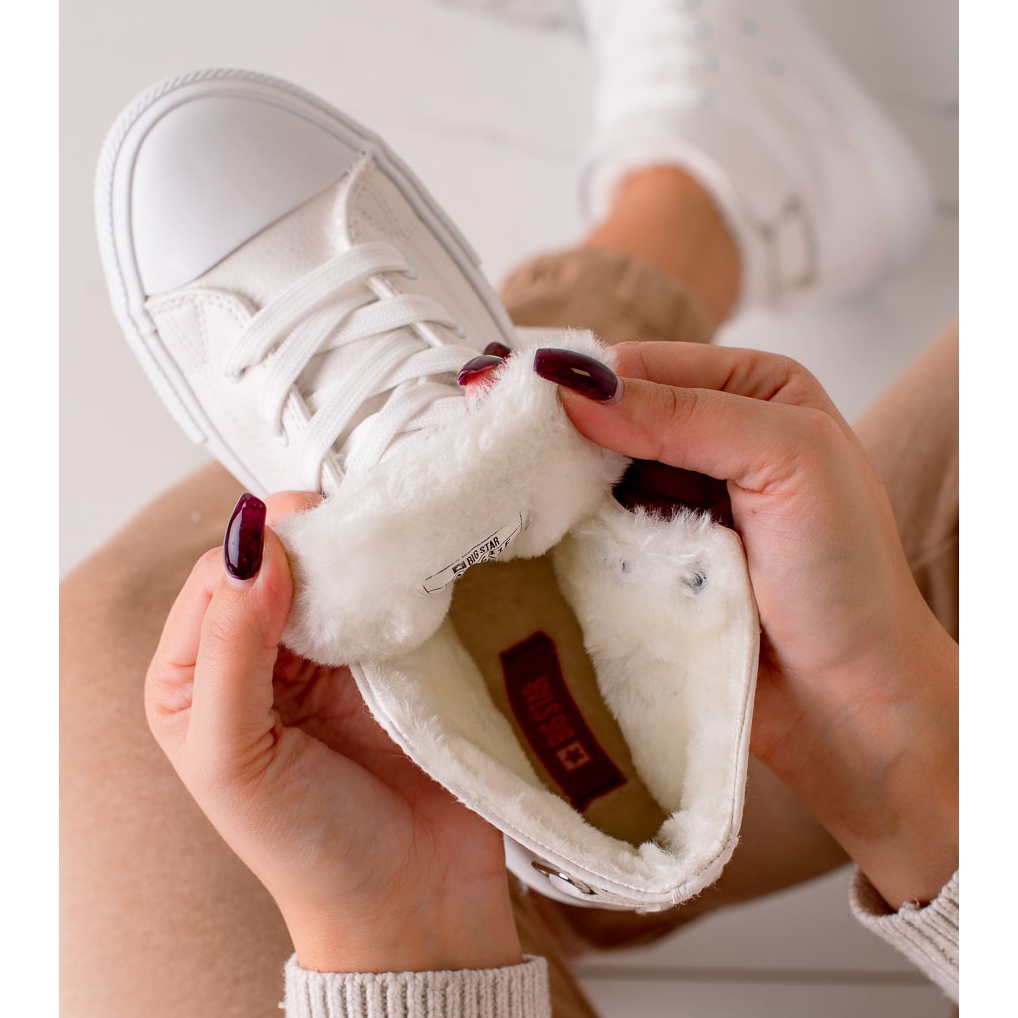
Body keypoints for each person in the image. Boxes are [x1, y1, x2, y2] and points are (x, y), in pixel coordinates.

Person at [60, 1, 958, 1015]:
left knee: (150, 668)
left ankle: (706, 205)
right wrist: (896, 740)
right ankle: (720, 197)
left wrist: (409, 938)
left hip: (434, 873)